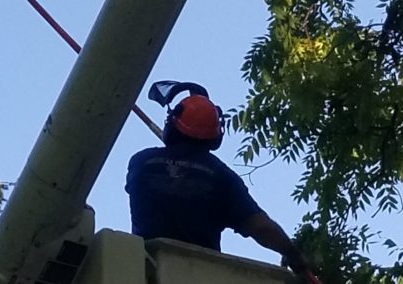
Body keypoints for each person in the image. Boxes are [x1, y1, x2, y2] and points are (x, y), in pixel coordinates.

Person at [126, 82, 315, 277]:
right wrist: (293, 255)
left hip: (144, 273)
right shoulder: (220, 176)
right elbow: (261, 227)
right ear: (215, 136)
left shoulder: (141, 162)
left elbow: (172, 180)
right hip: (200, 275)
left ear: (172, 125)